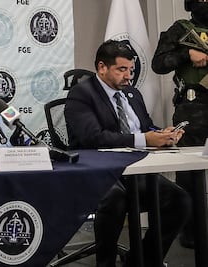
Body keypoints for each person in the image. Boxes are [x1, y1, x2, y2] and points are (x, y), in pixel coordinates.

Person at [64, 40, 191, 267]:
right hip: (97, 171)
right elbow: (94, 138)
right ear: (102, 67)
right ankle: (106, 263)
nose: (128, 76)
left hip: (135, 169)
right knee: (115, 198)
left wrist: (162, 134)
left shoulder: (132, 93)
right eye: (122, 70)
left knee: (179, 200)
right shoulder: (81, 94)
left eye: (131, 70)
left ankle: (141, 261)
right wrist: (144, 139)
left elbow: (146, 127)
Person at [151, 0, 208, 249]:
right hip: (193, 107)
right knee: (188, 173)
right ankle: (191, 233)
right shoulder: (180, 29)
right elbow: (158, 63)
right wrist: (187, 54)